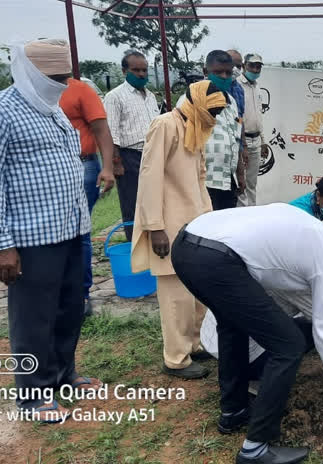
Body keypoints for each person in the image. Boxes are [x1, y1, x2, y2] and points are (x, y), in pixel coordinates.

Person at [171, 206, 323, 464]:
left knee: (232, 326)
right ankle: (254, 448)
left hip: (186, 246)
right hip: (216, 258)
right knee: (289, 345)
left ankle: (234, 411)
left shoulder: (304, 226)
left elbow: (292, 288)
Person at [0, 39, 102, 423]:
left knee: (70, 306)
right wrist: (3, 245)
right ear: (30, 72)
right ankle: (31, 396)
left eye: (65, 77)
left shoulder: (53, 109)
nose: (62, 84)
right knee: (33, 318)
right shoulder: (5, 110)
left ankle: (62, 373)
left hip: (72, 228)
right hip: (30, 237)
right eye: (55, 78)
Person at [132, 80, 228, 380]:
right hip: (167, 225)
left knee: (196, 290)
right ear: (198, 103)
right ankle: (176, 359)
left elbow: (200, 179)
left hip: (194, 223)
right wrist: (155, 228)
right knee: (175, 296)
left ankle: (195, 344)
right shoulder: (165, 124)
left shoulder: (196, 125)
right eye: (212, 110)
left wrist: (209, 220)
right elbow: (149, 177)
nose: (215, 117)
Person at [59, 77, 116, 316]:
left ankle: (81, 296)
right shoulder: (24, 93)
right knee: (51, 234)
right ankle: (56, 291)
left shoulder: (80, 90)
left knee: (79, 231)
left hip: (82, 165)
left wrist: (108, 167)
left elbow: (101, 129)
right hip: (43, 170)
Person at [177, 50, 245, 210]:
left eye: (228, 72)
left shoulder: (232, 102)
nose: (223, 76)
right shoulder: (190, 100)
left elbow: (236, 140)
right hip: (204, 180)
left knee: (225, 230)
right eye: (218, 72)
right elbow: (180, 141)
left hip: (229, 180)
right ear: (205, 72)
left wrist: (240, 173)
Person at [104, 50, 161, 241]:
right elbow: (111, 133)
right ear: (124, 71)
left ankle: (153, 241)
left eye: (144, 70)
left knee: (154, 201)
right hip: (129, 156)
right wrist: (116, 162)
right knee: (133, 204)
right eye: (136, 70)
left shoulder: (151, 96)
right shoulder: (115, 97)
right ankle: (135, 244)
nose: (141, 74)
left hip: (153, 155)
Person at [236, 52, 269, 207]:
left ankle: (252, 213)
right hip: (243, 140)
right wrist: (242, 146)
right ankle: (242, 216)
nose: (255, 70)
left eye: (258, 66)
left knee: (252, 183)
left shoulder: (257, 87)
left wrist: (263, 140)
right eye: (252, 66)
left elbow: (259, 117)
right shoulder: (237, 85)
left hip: (256, 140)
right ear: (244, 66)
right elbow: (237, 117)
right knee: (241, 182)